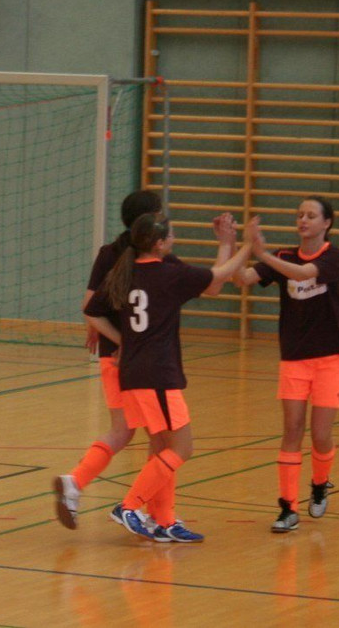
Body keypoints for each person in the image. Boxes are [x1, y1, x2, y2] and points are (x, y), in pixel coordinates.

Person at [52, 190, 237, 530]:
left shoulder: (110, 252)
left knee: (132, 433)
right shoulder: (158, 262)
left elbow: (90, 305)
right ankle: (149, 513)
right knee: (162, 440)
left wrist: (110, 335)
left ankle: (91, 488)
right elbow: (213, 285)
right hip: (140, 360)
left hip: (116, 357)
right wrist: (232, 244)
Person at [79, 212, 258, 542]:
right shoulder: (168, 274)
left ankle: (164, 520)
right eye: (171, 235)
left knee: (162, 447)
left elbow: (91, 310)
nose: (174, 239)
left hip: (133, 374)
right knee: (183, 447)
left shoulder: (126, 272)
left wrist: (123, 340)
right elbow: (220, 277)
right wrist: (248, 246)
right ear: (160, 243)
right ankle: (129, 506)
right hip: (157, 375)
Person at [233, 196, 339, 533]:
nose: (303, 220)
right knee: (292, 429)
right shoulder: (283, 256)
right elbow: (241, 278)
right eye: (300, 214)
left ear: (326, 223)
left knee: (321, 434)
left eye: (311, 215)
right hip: (295, 357)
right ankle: (288, 508)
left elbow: (303, 272)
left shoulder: (332, 256)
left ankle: (320, 482)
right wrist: (238, 245)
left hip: (330, 357)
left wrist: (263, 254)